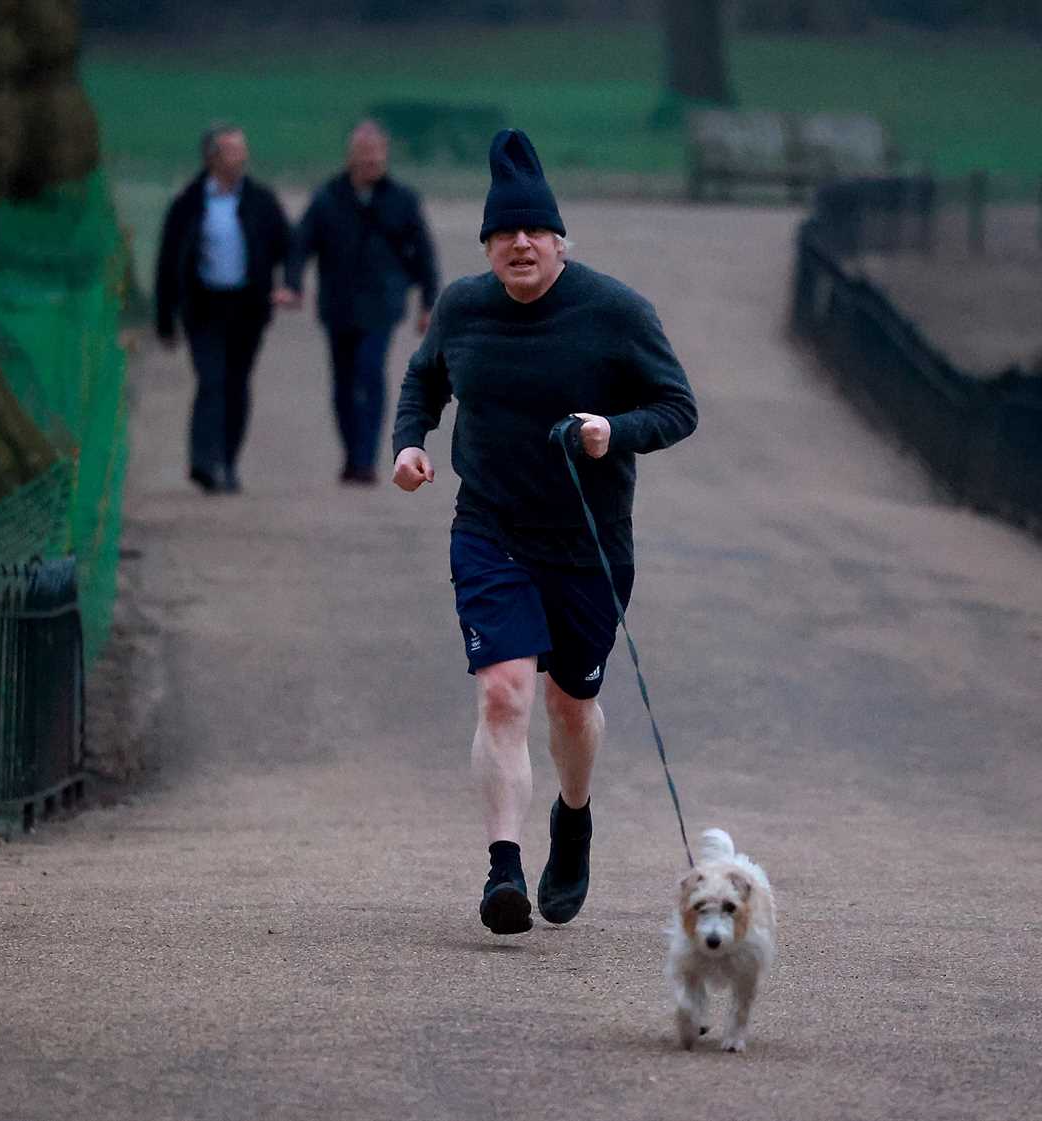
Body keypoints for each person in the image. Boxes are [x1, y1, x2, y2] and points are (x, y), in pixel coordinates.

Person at [391, 129, 698, 936]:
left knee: (570, 706)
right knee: (503, 692)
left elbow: (678, 408)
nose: (519, 244)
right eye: (503, 233)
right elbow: (423, 381)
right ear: (488, 244)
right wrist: (411, 443)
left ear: (560, 239)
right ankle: (503, 869)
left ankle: (574, 816)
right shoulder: (462, 308)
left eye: (534, 231)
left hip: (590, 542)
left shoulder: (617, 312)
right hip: (492, 531)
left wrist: (612, 431)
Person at [281, 121, 439, 485]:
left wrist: (428, 303)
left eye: (376, 155)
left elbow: (424, 254)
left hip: (382, 304)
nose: (370, 161)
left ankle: (366, 459)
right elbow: (302, 244)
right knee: (343, 381)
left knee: (370, 373)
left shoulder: (401, 199)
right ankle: (351, 456)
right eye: (363, 154)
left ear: (384, 156)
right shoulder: (327, 198)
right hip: (338, 304)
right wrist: (292, 285)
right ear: (351, 156)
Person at [155, 125, 291, 494]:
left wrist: (288, 284)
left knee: (236, 385)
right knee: (211, 382)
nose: (240, 157)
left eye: (242, 150)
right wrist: (164, 319)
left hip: (247, 308)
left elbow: (286, 245)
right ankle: (204, 461)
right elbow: (168, 261)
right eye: (232, 151)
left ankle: (228, 462)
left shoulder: (261, 200)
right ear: (212, 157)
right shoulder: (188, 203)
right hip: (203, 308)